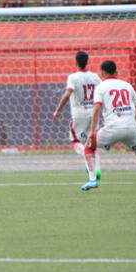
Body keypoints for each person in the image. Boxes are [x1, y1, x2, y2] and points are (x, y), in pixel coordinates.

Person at [80, 60, 136, 193]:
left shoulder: (101, 87)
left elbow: (96, 110)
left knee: (88, 146)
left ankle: (92, 179)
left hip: (112, 128)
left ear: (102, 73)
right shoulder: (127, 85)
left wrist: (91, 131)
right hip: (131, 129)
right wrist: (133, 124)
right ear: (116, 71)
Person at [52, 51, 102, 180]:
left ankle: (87, 158)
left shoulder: (73, 77)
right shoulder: (95, 77)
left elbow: (67, 94)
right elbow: (103, 91)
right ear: (87, 61)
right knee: (92, 141)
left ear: (75, 62)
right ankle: (97, 168)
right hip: (94, 113)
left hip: (79, 114)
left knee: (75, 141)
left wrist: (57, 110)